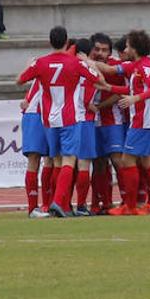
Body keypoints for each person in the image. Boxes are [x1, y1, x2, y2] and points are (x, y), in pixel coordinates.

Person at [17, 26, 108, 218]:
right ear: (67, 42)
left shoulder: (40, 63)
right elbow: (99, 80)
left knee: (52, 160)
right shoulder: (75, 63)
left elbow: (20, 80)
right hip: (69, 117)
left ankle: (44, 205)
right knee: (69, 160)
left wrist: (29, 67)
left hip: (48, 119)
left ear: (50, 42)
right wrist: (89, 64)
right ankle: (59, 203)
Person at [89, 30, 150, 216]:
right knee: (148, 161)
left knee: (127, 160)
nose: (125, 48)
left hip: (145, 120)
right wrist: (106, 85)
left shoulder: (146, 67)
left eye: (128, 45)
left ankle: (130, 206)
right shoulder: (134, 66)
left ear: (134, 48)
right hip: (144, 120)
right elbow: (112, 71)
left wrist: (135, 98)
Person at [88, 32, 127, 214]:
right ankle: (101, 203)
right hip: (92, 122)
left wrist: (100, 106)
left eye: (104, 50)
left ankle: (128, 201)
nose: (100, 53)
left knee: (118, 160)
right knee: (98, 163)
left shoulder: (116, 66)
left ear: (110, 52)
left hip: (113, 120)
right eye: (97, 49)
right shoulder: (84, 65)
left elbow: (122, 92)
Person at [17, 76, 51, 218]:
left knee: (54, 159)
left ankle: (48, 205)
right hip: (35, 114)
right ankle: (32, 208)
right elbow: (21, 78)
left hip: (53, 114)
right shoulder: (44, 63)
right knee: (34, 158)